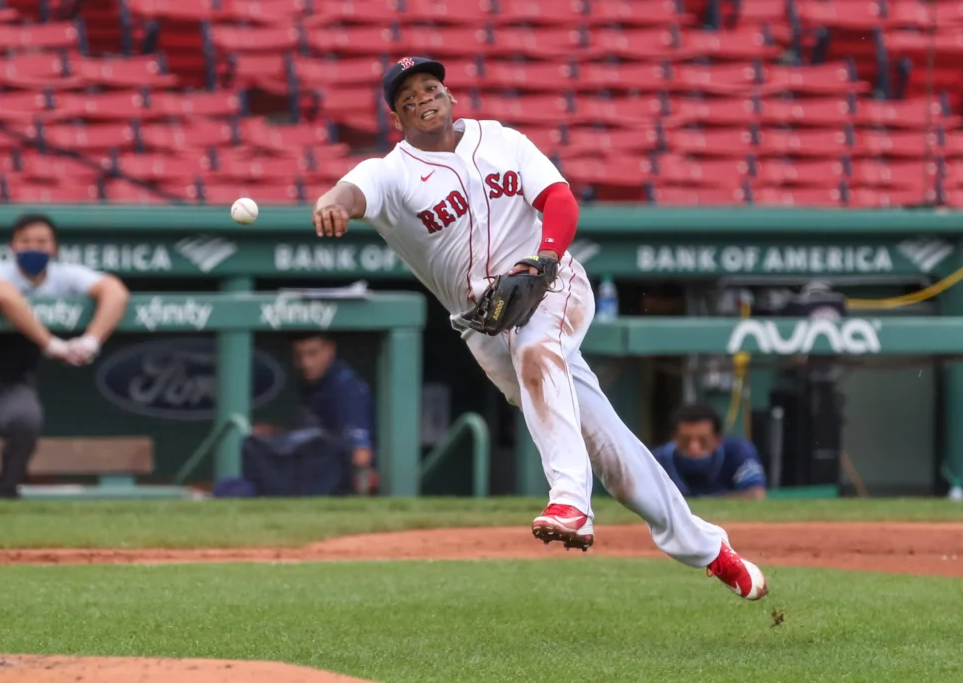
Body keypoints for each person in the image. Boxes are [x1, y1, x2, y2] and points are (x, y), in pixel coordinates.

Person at [310, 56, 768, 600]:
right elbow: (350, 190)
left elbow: (558, 199)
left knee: (536, 348)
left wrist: (547, 257)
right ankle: (713, 552)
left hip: (550, 284)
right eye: (408, 96)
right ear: (397, 116)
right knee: (615, 457)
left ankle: (570, 500)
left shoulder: (502, 141)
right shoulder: (392, 171)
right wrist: (331, 203)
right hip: (484, 326)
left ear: (450, 95)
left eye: (431, 87)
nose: (423, 98)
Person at [0, 213, 130, 499]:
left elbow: (115, 292)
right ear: (12, 246)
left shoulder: (64, 275)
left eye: (41, 241)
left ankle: (7, 493)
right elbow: (3, 296)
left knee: (25, 420)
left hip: (12, 382)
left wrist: (91, 341)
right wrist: (50, 343)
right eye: (25, 241)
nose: (33, 247)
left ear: (54, 248)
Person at [292, 333, 375, 494]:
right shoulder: (312, 385)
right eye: (299, 355)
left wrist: (361, 503)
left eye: (312, 353)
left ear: (330, 350)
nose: (305, 362)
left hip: (339, 486)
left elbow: (362, 456)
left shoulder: (345, 387)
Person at [652, 404, 768, 500]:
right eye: (685, 440)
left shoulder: (738, 451)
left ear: (717, 439)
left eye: (704, 441)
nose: (694, 447)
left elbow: (756, 494)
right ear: (674, 438)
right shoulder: (657, 459)